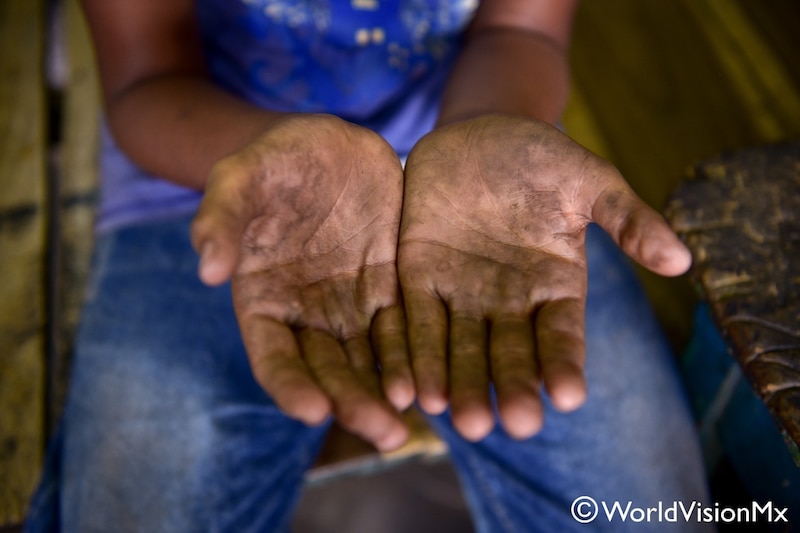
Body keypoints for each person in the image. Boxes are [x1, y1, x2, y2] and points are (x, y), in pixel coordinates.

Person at [26, 0, 712, 531]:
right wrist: (273, 161)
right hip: (213, 177)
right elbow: (149, 78)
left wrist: (480, 132)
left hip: (484, 189)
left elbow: (522, 32)